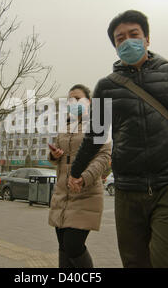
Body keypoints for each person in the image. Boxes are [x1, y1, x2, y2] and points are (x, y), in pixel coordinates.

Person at [68, 10, 168, 268]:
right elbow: (95, 136)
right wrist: (75, 171)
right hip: (127, 189)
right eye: (119, 38)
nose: (127, 41)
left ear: (147, 39)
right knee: (135, 262)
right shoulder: (106, 87)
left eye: (134, 34)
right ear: (115, 46)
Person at [48, 84, 111, 268]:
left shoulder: (98, 124)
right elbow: (57, 158)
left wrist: (84, 177)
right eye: (69, 100)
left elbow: (104, 156)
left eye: (77, 98)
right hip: (62, 193)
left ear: (89, 102)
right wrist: (54, 155)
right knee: (63, 247)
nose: (72, 103)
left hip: (85, 192)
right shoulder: (66, 125)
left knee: (73, 246)